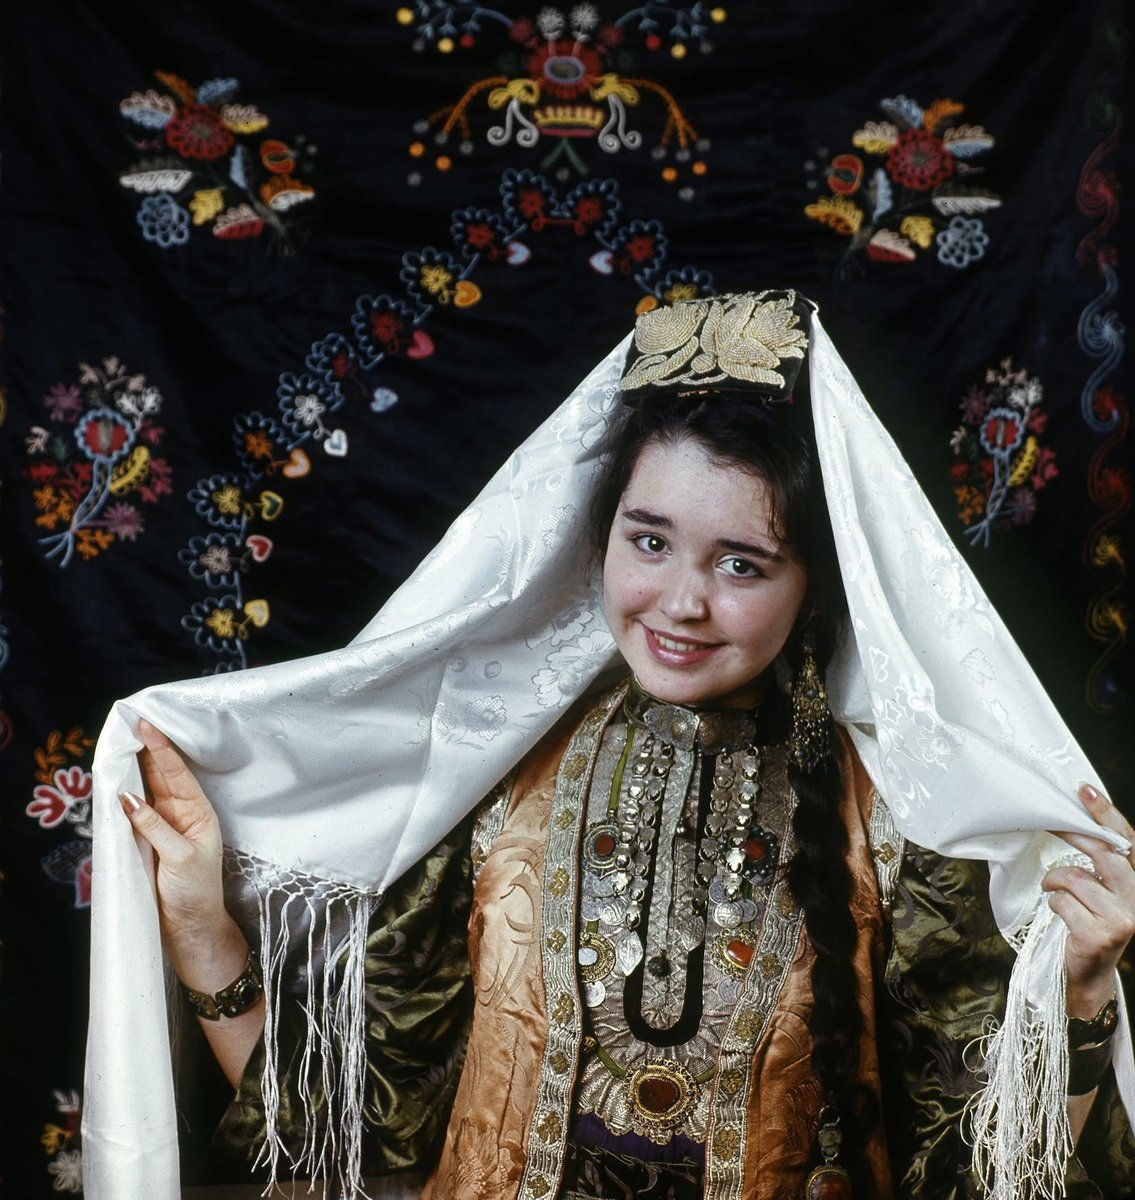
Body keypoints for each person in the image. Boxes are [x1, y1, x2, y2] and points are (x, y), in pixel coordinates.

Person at [97, 292, 1135, 1199]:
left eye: (742, 563)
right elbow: (343, 1132)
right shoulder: (495, 772)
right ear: (597, 539)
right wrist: (199, 923)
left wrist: (1082, 994)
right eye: (649, 541)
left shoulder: (905, 814)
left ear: (813, 583)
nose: (681, 602)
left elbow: (984, 1168)